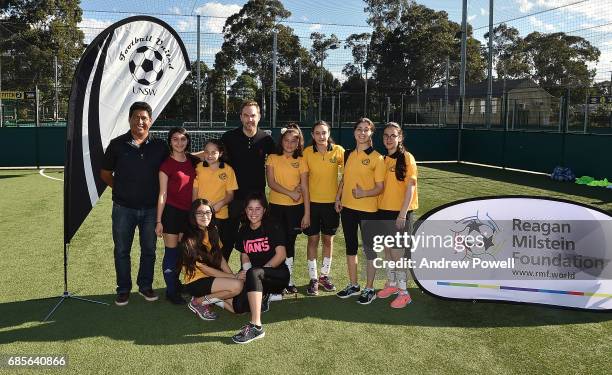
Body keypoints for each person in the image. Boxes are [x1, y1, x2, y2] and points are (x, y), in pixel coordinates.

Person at [100, 101, 168, 306]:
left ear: (150, 121)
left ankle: (145, 286)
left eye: (144, 118)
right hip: (123, 208)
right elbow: (105, 174)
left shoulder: (160, 146)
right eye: (136, 117)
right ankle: (123, 289)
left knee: (149, 249)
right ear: (129, 119)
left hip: (150, 210)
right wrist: (122, 190)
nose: (140, 121)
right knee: (122, 250)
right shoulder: (117, 144)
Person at [334, 118, 385, 305]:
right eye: (359, 129)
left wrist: (364, 193)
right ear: (354, 132)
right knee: (350, 247)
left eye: (366, 130)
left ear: (371, 133)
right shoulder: (348, 154)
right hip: (348, 209)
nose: (362, 133)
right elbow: (345, 179)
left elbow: (380, 187)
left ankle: (370, 287)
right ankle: (353, 284)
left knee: (370, 250)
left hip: (369, 210)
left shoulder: (377, 158)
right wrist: (338, 197)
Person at [221, 101, 275, 260]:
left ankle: (254, 275)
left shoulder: (266, 139)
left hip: (257, 199)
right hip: (233, 198)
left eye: (253, 115)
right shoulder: (229, 137)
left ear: (259, 117)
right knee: (227, 239)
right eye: (246, 115)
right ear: (240, 117)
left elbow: (281, 161)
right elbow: (213, 156)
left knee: (257, 239)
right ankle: (222, 275)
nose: (249, 119)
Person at [233, 192, 290, 344]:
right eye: (250, 209)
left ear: (264, 210)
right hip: (256, 276)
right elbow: (244, 255)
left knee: (254, 273)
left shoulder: (273, 225)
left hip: (277, 275)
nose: (253, 213)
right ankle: (264, 295)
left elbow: (281, 255)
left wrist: (258, 273)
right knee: (239, 307)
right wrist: (246, 271)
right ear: (245, 210)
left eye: (258, 209)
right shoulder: (243, 230)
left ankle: (256, 326)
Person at [179, 199, 247, 321]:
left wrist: (230, 275)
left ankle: (213, 298)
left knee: (239, 309)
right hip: (196, 282)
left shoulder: (212, 230)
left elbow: (220, 258)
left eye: (208, 212)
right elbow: (205, 270)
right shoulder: (189, 238)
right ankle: (198, 302)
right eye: (199, 213)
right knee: (237, 286)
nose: (204, 216)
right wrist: (234, 278)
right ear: (193, 215)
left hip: (212, 279)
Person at [376, 122, 419, 308]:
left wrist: (402, 215)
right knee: (387, 251)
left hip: (400, 214)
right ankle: (392, 285)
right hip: (383, 211)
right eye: (386, 135)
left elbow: (410, 189)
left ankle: (404, 292)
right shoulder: (384, 160)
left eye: (393, 135)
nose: (389, 139)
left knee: (398, 254)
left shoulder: (407, 158)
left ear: (400, 137)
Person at [155, 127, 198, 305]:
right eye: (175, 139)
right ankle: (171, 291)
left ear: (187, 141)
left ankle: (176, 283)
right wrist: (159, 220)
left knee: (182, 253)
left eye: (183, 139)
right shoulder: (166, 165)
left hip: (188, 214)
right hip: (171, 213)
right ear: (170, 142)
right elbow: (162, 194)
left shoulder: (192, 160)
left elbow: (211, 152)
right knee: (172, 253)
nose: (179, 143)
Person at [265, 124, 310, 294]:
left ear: (298, 143)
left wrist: (306, 213)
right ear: (281, 141)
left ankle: (289, 280)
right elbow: (271, 183)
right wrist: (291, 193)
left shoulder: (301, 160)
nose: (290, 144)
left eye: (293, 141)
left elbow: (305, 187)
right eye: (287, 140)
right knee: (276, 243)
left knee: (290, 244)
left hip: (295, 210)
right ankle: (274, 279)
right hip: (276, 208)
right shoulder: (272, 158)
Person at [302, 121, 345, 295]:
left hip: (331, 205)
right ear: (312, 135)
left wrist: (338, 197)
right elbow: (303, 181)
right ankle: (313, 278)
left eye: (324, 133)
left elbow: (348, 174)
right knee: (312, 240)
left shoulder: (338, 150)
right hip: (311, 204)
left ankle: (324, 276)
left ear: (328, 133)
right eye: (318, 133)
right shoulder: (306, 153)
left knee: (328, 240)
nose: (321, 136)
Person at [192, 139, 238, 262]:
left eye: (214, 152)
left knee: (217, 248)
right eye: (207, 152)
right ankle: (205, 277)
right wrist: (196, 210)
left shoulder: (228, 170)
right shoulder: (198, 168)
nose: (210, 155)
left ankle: (219, 276)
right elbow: (194, 193)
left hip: (220, 215)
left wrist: (220, 204)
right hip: (201, 216)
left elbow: (230, 195)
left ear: (221, 153)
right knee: (202, 247)